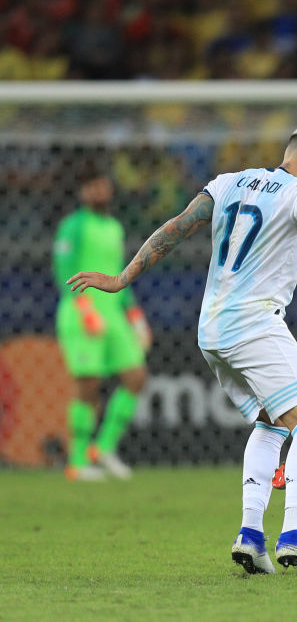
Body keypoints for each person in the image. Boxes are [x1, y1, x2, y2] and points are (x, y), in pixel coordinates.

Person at [66, 124, 297, 575]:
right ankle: (296, 534)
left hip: (211, 328)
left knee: (272, 423)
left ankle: (250, 535)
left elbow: (177, 226)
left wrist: (123, 277)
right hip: (254, 323)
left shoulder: (228, 182)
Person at [54, 164, 150, 481]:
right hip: (82, 312)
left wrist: (135, 316)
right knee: (88, 387)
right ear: (83, 192)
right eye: (93, 187)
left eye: (103, 186)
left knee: (136, 376)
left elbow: (120, 273)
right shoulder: (73, 225)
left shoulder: (114, 227)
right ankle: (78, 461)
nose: (100, 192)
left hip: (114, 311)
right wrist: (84, 308)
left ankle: (103, 448)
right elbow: (63, 268)